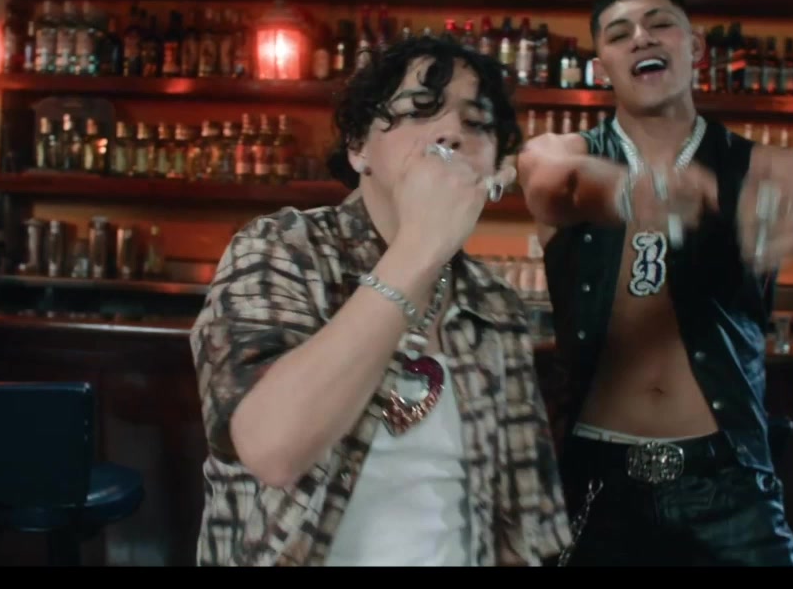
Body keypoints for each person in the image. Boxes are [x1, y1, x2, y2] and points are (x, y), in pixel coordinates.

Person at [189, 35, 572, 566]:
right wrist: (419, 246)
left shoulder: (493, 301)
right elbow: (272, 450)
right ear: (358, 146)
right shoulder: (282, 248)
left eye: (477, 122)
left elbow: (524, 518)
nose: (451, 133)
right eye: (420, 110)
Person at [516, 0, 793, 567]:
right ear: (601, 67)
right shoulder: (557, 152)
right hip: (596, 480)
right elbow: (556, 184)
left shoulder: (766, 165)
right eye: (619, 35)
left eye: (660, 24)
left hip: (726, 479)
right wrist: (630, 192)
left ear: (695, 48)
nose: (641, 39)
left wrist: (783, 217)